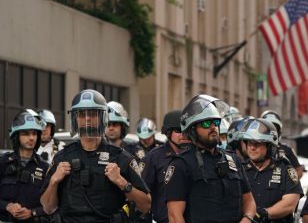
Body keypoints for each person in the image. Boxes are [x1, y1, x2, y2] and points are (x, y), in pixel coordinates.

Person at [40, 89, 151, 222]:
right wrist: (53, 182)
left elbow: (145, 205)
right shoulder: (61, 157)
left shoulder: (122, 158)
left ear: (103, 117)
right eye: (82, 114)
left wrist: (122, 182)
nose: (87, 119)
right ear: (75, 118)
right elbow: (48, 208)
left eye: (93, 113)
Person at [165, 94, 256, 223]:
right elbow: (175, 216)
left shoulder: (233, 160)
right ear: (192, 129)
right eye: (206, 123)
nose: (213, 127)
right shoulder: (181, 165)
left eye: (216, 122)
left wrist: (247, 218)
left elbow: (249, 201)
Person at [242, 118, 302, 223]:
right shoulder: (239, 169)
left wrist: (262, 214)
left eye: (257, 144)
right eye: (249, 143)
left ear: (270, 146)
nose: (252, 148)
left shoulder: (285, 169)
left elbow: (290, 204)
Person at [142, 110, 191, 223]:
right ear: (168, 133)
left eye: (186, 130)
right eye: (178, 130)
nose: (183, 135)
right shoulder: (153, 158)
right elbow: (143, 193)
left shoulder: (195, 156)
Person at [0, 110, 50, 222]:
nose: (31, 138)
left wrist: (32, 212)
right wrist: (7, 206)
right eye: (26, 133)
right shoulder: (3, 163)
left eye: (34, 133)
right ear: (16, 136)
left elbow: (51, 206)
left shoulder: (45, 168)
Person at [261, 110, 304, 178]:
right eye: (268, 129)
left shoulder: (287, 150)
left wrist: (287, 180)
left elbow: (298, 170)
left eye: (275, 129)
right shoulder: (253, 147)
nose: (271, 133)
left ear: (279, 131)